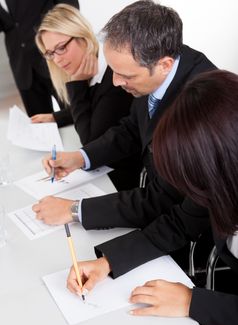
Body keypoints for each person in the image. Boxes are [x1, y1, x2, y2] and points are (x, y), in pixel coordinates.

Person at [33, 1, 216, 264]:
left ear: (164, 64)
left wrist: (75, 210)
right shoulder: (156, 63)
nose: (116, 82)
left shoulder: (199, 110)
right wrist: (81, 157)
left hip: (191, 237)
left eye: (123, 75)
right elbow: (131, 128)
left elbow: (163, 200)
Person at [68, 70, 238, 325]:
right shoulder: (216, 176)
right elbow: (179, 223)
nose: (193, 192)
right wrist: (107, 263)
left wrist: (192, 302)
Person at [31, 3, 139, 191]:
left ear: (83, 36)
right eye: (50, 53)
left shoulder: (113, 77)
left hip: (128, 177)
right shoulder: (89, 67)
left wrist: (76, 84)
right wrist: (57, 117)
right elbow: (95, 107)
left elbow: (90, 141)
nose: (57, 59)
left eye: (61, 47)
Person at [0, 0, 79, 117]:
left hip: (53, 57)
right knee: (40, 125)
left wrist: (61, 35)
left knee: (76, 113)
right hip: (22, 66)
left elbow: (69, 5)